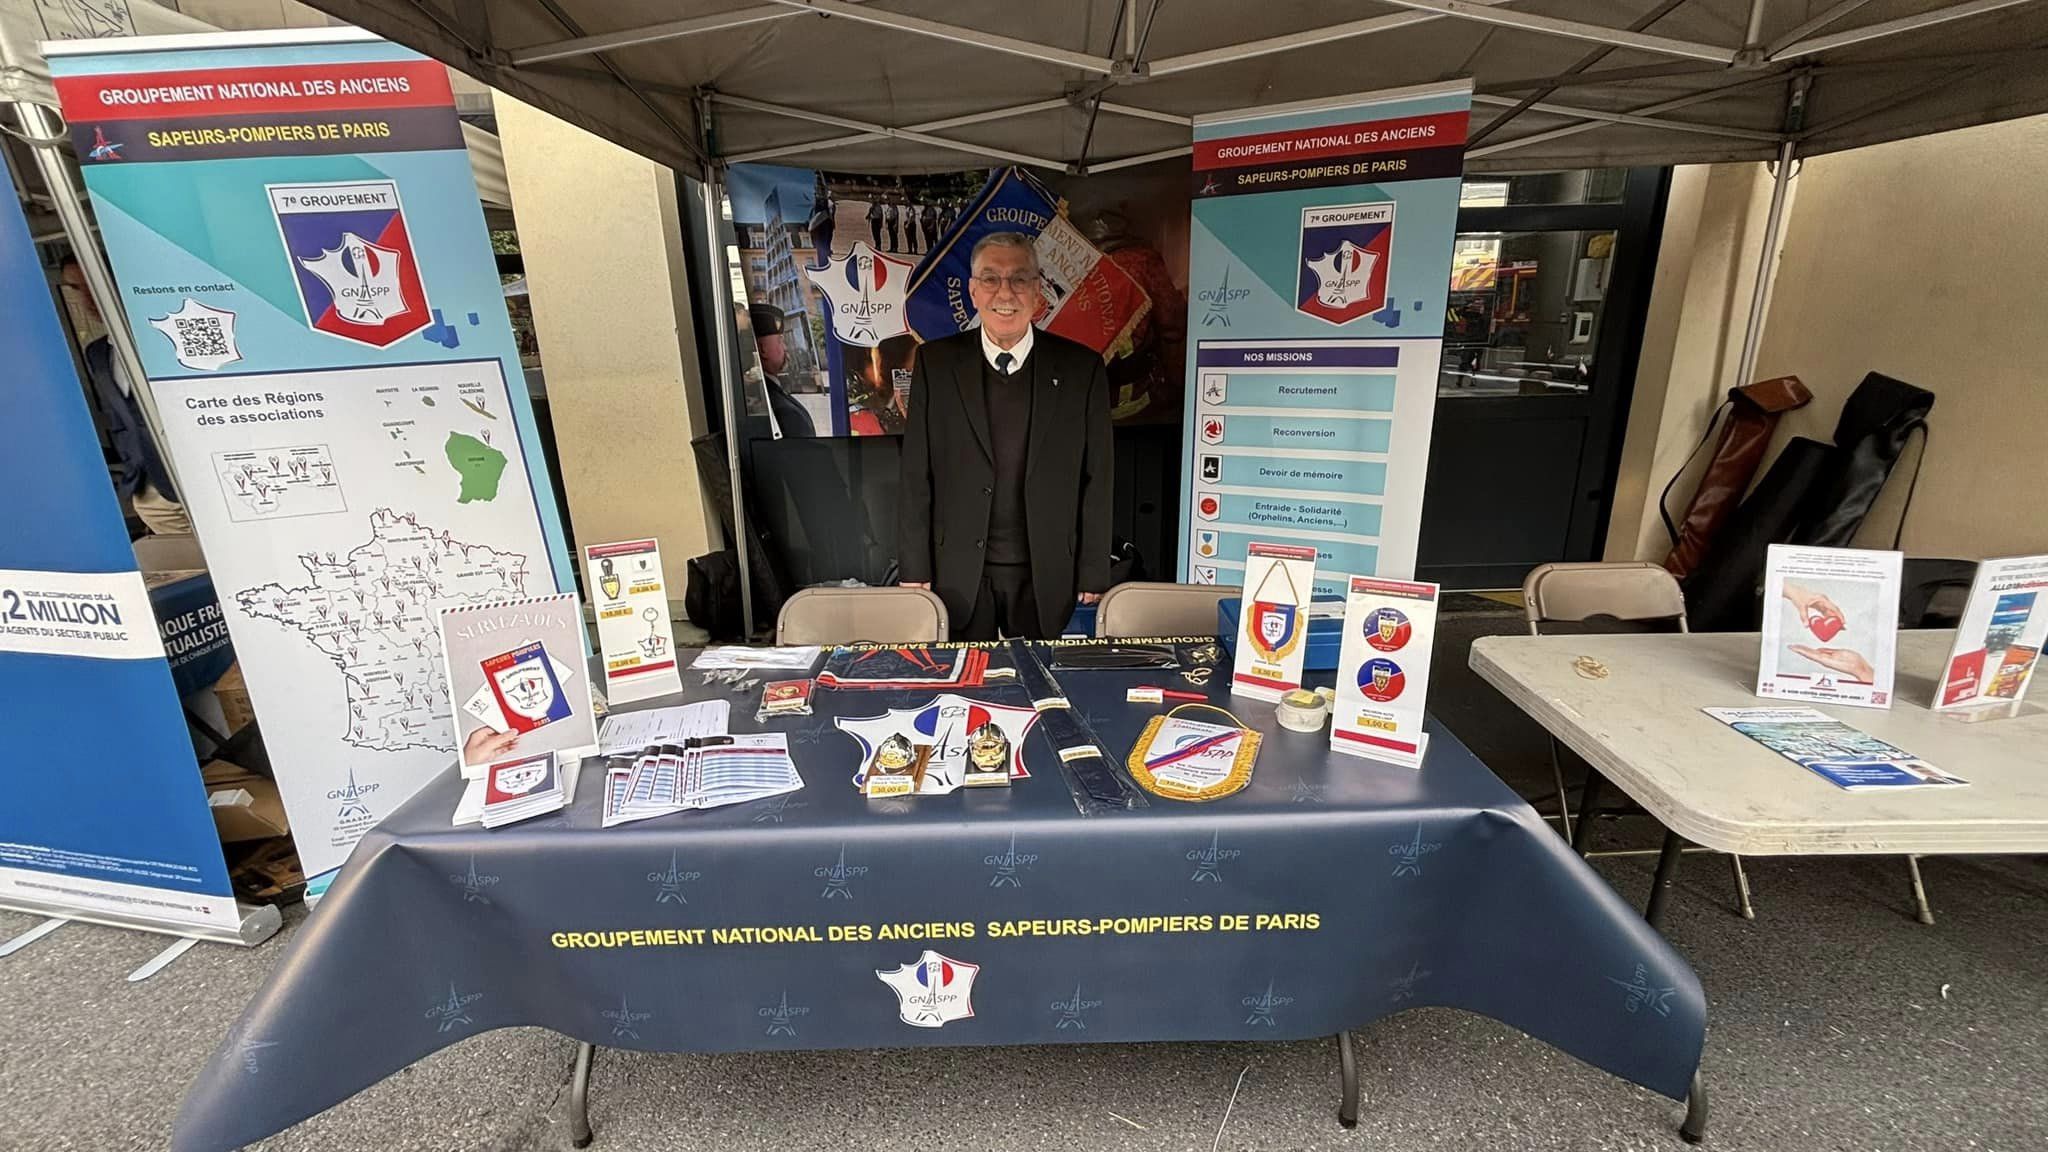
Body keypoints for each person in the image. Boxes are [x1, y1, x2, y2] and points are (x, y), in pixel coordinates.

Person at [898, 232, 1112, 640]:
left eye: (1019, 279)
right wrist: (914, 567)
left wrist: (1093, 570)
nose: (1005, 292)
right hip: (957, 572)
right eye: (991, 278)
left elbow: (1097, 478)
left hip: (1047, 574)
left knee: (1039, 678)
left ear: (1038, 290)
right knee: (969, 677)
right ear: (973, 291)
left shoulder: (1081, 369)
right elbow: (915, 474)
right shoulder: (935, 364)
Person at [60, 259, 190, 535]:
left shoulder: (171, 338)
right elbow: (121, 418)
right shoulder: (97, 353)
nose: (88, 299)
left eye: (93, 284)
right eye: (76, 288)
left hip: (197, 478)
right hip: (151, 489)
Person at [750, 303, 816, 437]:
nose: (785, 348)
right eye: (780, 341)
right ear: (762, 349)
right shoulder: (784, 411)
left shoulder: (767, 391)